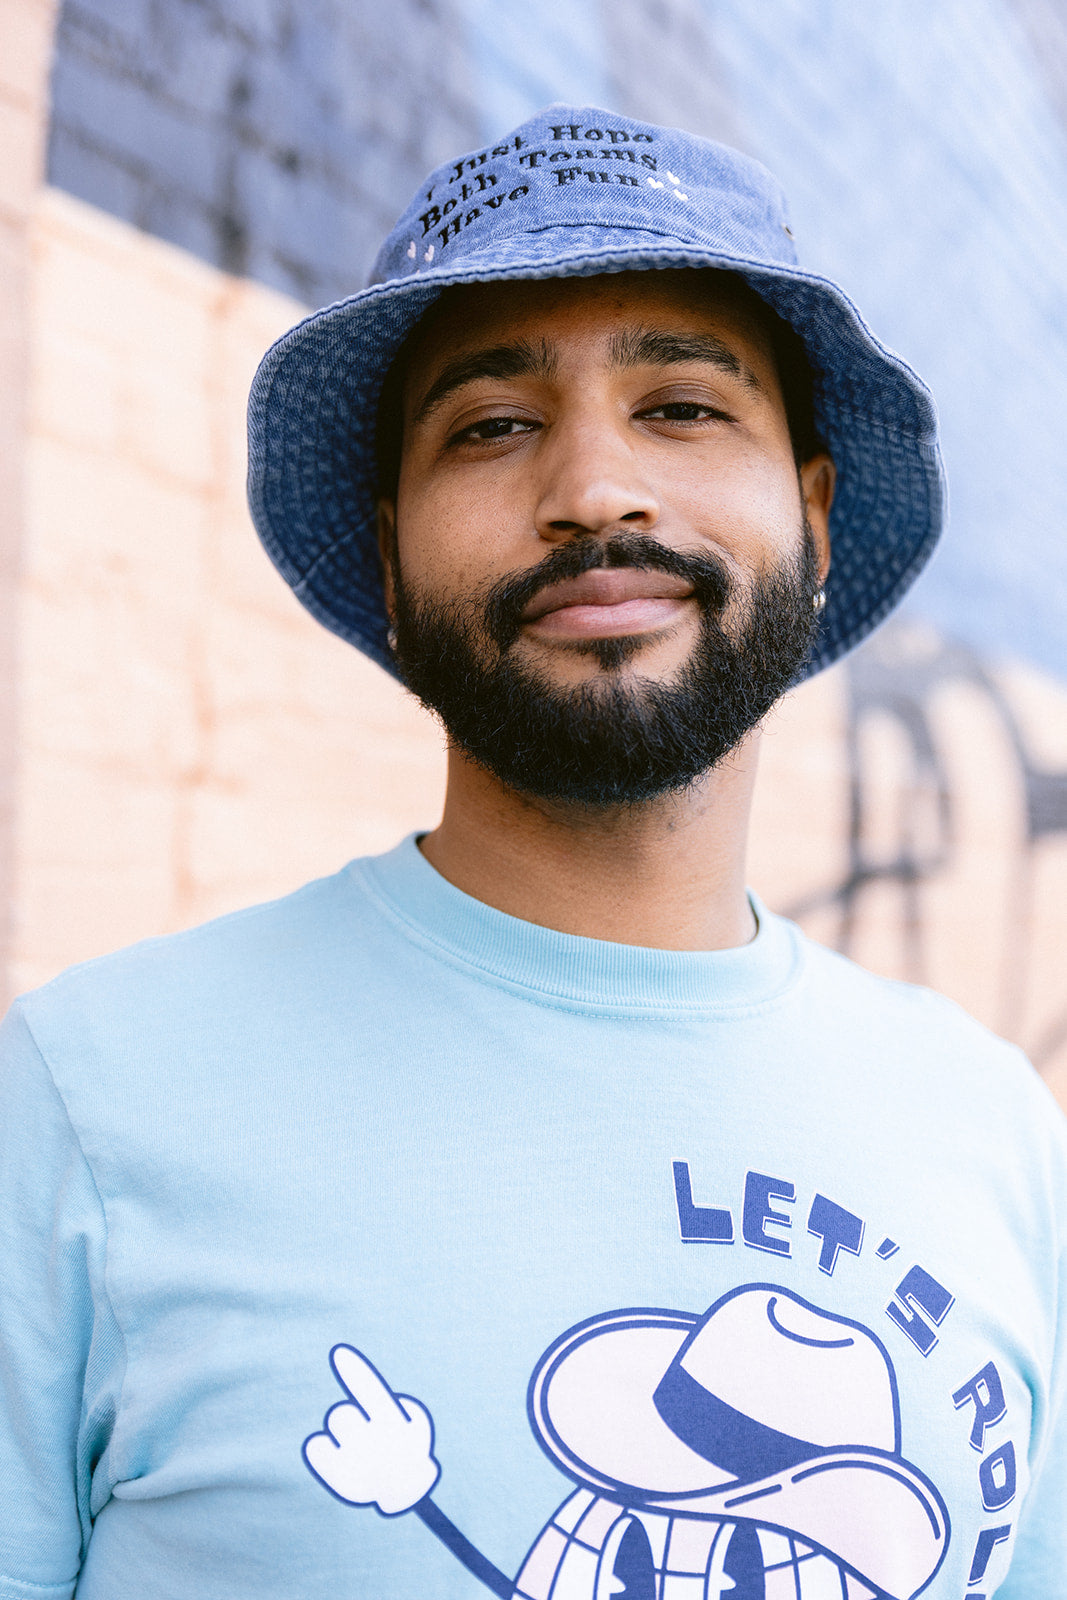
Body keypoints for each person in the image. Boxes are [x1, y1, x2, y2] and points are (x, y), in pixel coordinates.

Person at [1, 105, 1063, 1600]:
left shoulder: (996, 1140)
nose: (595, 490)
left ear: (814, 523)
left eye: (684, 407)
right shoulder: (83, 1105)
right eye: (493, 426)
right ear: (387, 554)